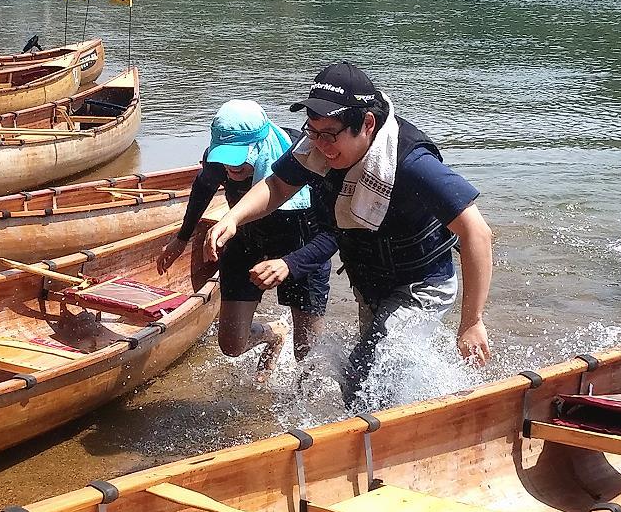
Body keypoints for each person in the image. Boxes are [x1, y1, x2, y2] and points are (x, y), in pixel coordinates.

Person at [205, 62, 494, 404]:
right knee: (360, 383)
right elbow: (278, 185)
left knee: (376, 377)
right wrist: (234, 218)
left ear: (366, 124)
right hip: (370, 283)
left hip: (420, 285)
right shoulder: (316, 149)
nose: (321, 145)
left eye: (330, 134)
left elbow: (476, 232)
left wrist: (472, 321)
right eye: (312, 131)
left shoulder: (410, 162)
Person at [157, 100, 335, 378]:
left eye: (239, 156)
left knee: (307, 355)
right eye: (224, 155)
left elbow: (334, 230)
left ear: (261, 146)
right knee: (231, 345)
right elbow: (203, 187)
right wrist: (181, 239)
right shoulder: (219, 162)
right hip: (248, 243)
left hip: (302, 247)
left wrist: (291, 263)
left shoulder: (305, 158)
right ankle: (274, 333)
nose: (231, 166)